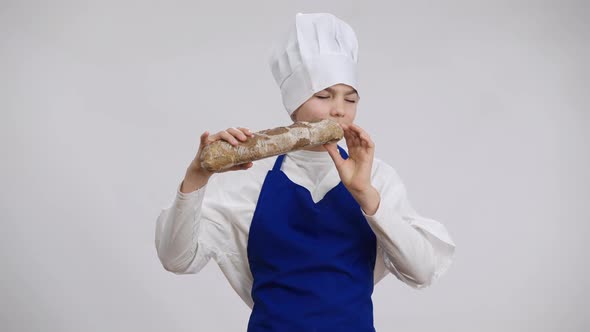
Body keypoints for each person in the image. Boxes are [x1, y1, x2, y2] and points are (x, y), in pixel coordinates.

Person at [155, 12, 456, 331]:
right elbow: (176, 259)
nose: (339, 109)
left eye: (350, 99)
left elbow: (422, 272)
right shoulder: (251, 181)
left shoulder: (377, 178)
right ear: (293, 102)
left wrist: (367, 197)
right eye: (324, 96)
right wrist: (197, 176)